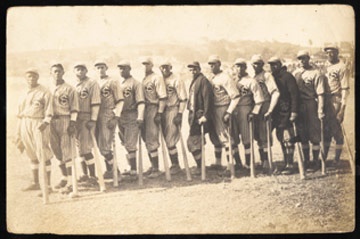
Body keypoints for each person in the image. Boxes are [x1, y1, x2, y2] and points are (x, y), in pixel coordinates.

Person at [15, 68, 53, 192]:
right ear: (26, 79)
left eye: (34, 76)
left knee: (43, 152)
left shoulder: (44, 91)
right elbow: (19, 114)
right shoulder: (23, 93)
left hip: (38, 122)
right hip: (25, 122)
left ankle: (48, 186)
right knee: (31, 153)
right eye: (29, 77)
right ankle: (35, 182)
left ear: (38, 77)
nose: (31, 79)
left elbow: (49, 110)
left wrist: (46, 122)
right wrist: (18, 132)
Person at [48, 63, 80, 191]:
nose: (57, 73)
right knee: (57, 152)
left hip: (65, 119)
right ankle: (64, 178)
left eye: (59, 71)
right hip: (51, 121)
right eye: (54, 71)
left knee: (67, 151)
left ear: (63, 72)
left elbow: (74, 108)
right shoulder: (48, 89)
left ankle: (72, 182)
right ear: (50, 73)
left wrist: (72, 122)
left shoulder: (69, 89)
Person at [207, 55, 240, 176]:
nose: (211, 66)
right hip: (214, 109)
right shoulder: (212, 78)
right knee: (217, 138)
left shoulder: (225, 77)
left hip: (223, 108)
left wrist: (228, 112)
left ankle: (230, 166)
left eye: (214, 64)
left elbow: (235, 96)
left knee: (227, 139)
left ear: (219, 64)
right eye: (210, 64)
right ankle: (219, 163)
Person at [293, 50, 325, 172]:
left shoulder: (316, 73)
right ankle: (306, 160)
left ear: (308, 58)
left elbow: (320, 93)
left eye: (304, 58)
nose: (302, 61)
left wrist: (320, 109)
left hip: (311, 103)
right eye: (300, 59)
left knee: (314, 134)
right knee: (303, 134)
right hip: (299, 105)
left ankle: (316, 161)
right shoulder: (296, 73)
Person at [268, 57, 299, 175]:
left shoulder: (287, 76)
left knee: (288, 138)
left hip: (287, 111)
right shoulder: (272, 78)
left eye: (275, 65)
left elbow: (294, 95)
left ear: (280, 65)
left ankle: (290, 164)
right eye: (271, 65)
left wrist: (294, 112)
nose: (273, 67)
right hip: (277, 113)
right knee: (281, 138)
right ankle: (286, 162)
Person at [231, 58, 264, 171]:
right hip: (233, 110)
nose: (239, 69)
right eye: (237, 66)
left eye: (241, 66)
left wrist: (254, 112)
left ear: (245, 67)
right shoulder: (232, 80)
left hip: (245, 109)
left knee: (246, 139)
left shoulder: (251, 81)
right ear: (234, 68)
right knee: (233, 139)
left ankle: (248, 164)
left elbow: (259, 100)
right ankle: (238, 163)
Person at [94, 60, 124, 181]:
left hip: (107, 113)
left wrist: (116, 117)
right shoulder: (94, 82)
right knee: (99, 144)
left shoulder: (112, 81)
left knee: (105, 146)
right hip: (96, 114)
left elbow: (120, 100)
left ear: (106, 68)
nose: (100, 69)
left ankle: (116, 171)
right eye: (97, 67)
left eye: (102, 67)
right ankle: (110, 170)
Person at [74, 62, 101, 191]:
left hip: (87, 117)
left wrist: (93, 120)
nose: (80, 72)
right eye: (77, 69)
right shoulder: (74, 85)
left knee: (86, 148)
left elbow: (95, 102)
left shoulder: (92, 83)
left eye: (82, 69)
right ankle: (84, 175)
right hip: (76, 118)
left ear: (86, 71)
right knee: (79, 148)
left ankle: (93, 176)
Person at [251, 55, 280, 173]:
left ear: (262, 64)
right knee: (257, 135)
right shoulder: (254, 77)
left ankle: (268, 162)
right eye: (253, 63)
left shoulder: (267, 75)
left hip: (265, 105)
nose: (255, 66)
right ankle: (263, 161)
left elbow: (275, 92)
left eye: (258, 63)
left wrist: (270, 109)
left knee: (265, 135)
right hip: (256, 107)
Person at [322, 44, 350, 166]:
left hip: (335, 99)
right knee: (325, 129)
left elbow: (345, 89)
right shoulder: (324, 66)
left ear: (337, 53)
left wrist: (342, 109)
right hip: (324, 99)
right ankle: (324, 159)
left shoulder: (342, 67)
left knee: (336, 129)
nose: (330, 54)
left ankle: (337, 159)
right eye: (327, 52)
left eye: (332, 52)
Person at [117, 60, 145, 177]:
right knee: (124, 142)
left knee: (131, 143)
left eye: (124, 68)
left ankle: (134, 169)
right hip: (120, 116)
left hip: (131, 114)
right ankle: (129, 167)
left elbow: (141, 102)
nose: (122, 70)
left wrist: (140, 116)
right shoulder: (118, 83)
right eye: (120, 68)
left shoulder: (136, 83)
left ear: (129, 69)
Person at [159, 61, 188, 175]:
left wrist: (180, 113)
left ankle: (176, 165)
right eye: (162, 67)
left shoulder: (177, 79)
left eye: (167, 67)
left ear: (171, 68)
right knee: (166, 139)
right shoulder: (160, 79)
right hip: (162, 110)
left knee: (171, 139)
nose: (165, 69)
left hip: (173, 109)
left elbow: (183, 98)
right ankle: (173, 164)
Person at [141, 57, 167, 178]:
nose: (145, 66)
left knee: (152, 138)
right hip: (144, 109)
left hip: (153, 107)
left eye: (147, 64)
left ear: (152, 65)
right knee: (146, 138)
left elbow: (162, 97)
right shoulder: (144, 79)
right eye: (143, 64)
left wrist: (160, 113)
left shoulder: (157, 77)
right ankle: (152, 166)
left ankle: (156, 169)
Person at [186, 61, 214, 175]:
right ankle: (201, 166)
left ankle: (201, 167)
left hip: (200, 116)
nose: (192, 71)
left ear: (199, 69)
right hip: (193, 115)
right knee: (195, 142)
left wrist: (205, 116)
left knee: (193, 142)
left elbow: (208, 99)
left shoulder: (203, 81)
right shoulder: (194, 81)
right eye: (191, 69)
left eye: (194, 69)